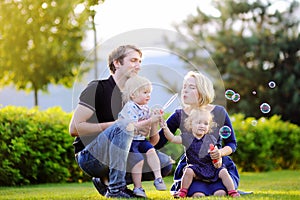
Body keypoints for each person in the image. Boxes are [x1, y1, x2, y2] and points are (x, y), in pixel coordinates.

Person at [69, 45, 172, 198]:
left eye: (140, 61)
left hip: (124, 155)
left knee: (164, 163)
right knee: (125, 125)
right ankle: (116, 190)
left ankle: (106, 182)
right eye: (133, 61)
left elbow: (152, 142)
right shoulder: (98, 88)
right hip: (91, 156)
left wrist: (152, 122)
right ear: (117, 63)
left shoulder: (135, 97)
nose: (138, 65)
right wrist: (117, 125)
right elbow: (74, 129)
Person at [151, 71, 240, 197]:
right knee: (197, 194)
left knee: (220, 193)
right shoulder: (179, 115)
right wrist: (154, 123)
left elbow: (232, 143)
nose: (185, 91)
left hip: (217, 164)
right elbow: (157, 143)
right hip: (193, 166)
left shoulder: (219, 112)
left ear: (202, 91)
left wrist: (220, 153)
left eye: (191, 87)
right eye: (184, 87)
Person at [160, 108, 240, 198]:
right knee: (188, 171)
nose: (202, 126)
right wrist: (165, 128)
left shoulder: (211, 139)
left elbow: (215, 152)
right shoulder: (187, 138)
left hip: (210, 166)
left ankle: (232, 191)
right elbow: (172, 138)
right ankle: (182, 191)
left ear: (209, 127)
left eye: (205, 124)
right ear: (190, 124)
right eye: (198, 123)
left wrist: (217, 159)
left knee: (224, 171)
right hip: (196, 167)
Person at [119, 75, 167, 198]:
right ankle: (138, 187)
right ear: (133, 94)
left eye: (149, 93)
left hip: (140, 140)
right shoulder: (130, 107)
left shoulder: (145, 108)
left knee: (151, 151)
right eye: (145, 92)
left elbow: (149, 126)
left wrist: (155, 116)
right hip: (130, 141)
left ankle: (158, 178)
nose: (148, 95)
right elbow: (132, 126)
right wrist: (151, 120)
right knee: (138, 161)